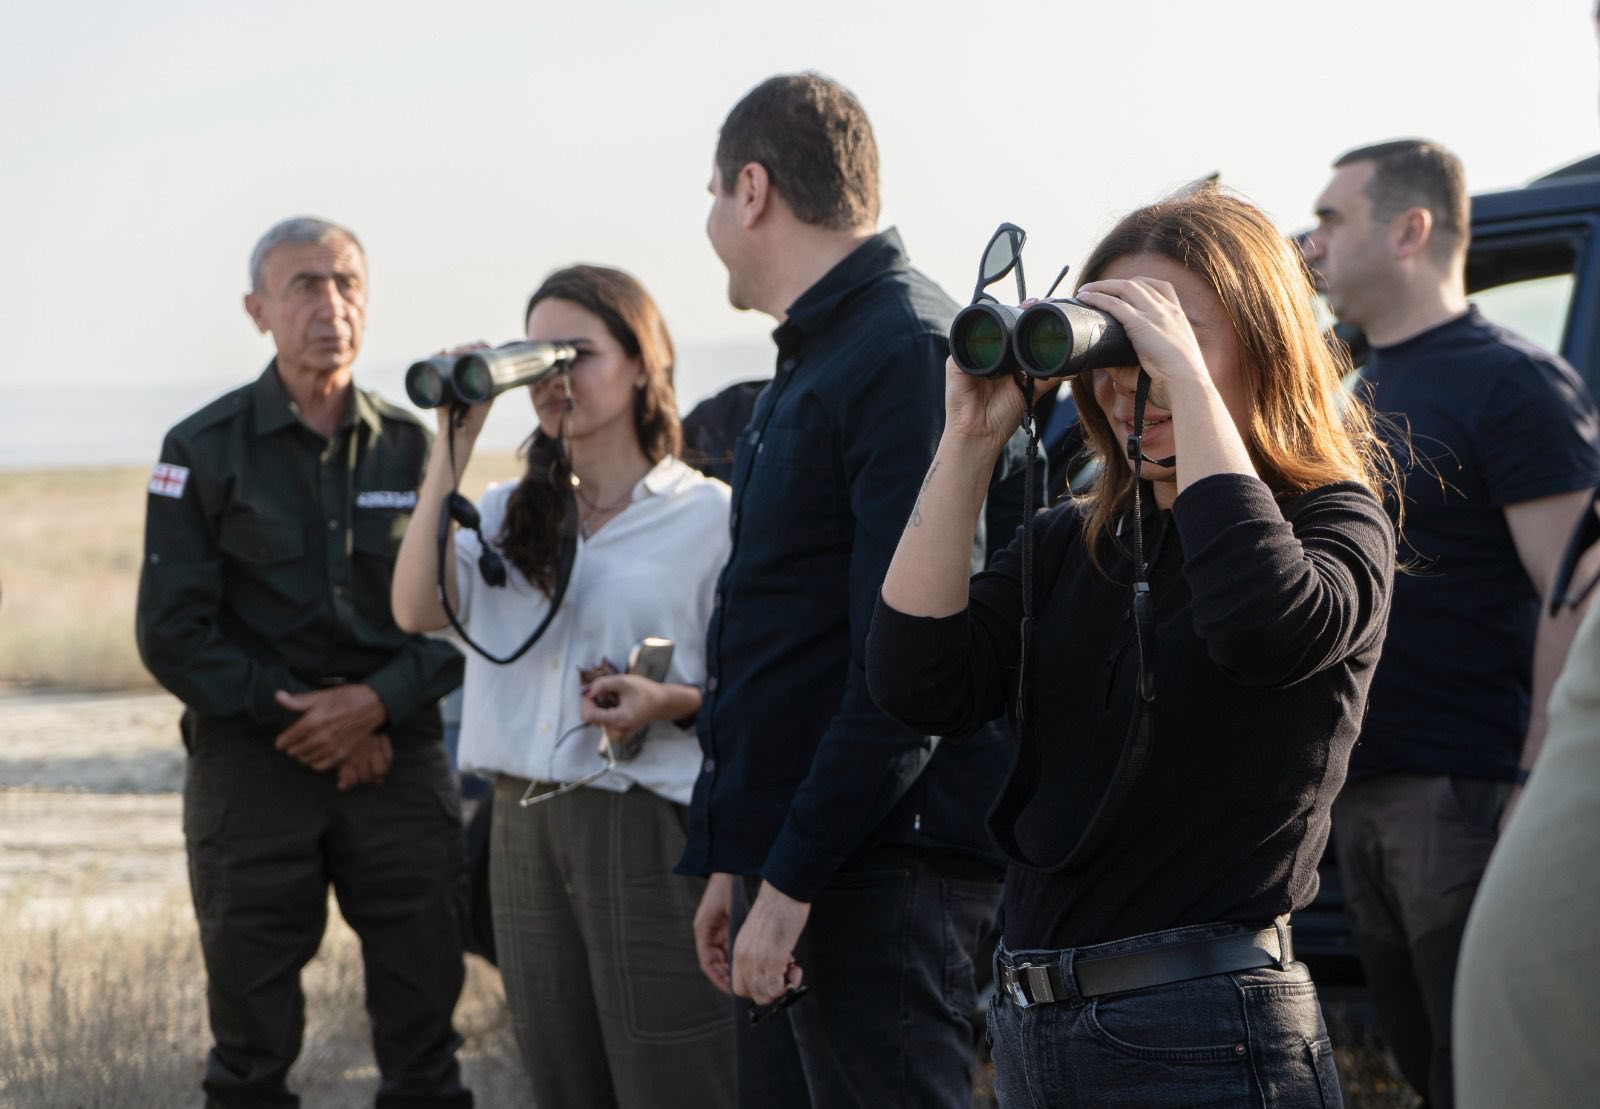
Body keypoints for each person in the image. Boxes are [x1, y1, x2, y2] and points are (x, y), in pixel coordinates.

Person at [868, 184, 1396, 1108]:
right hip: (1036, 1026)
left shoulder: (1335, 522)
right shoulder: (1071, 544)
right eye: (1110, 350)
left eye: (1167, 339)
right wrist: (969, 441)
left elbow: (1261, 625)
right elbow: (916, 682)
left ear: (1268, 344)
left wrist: (1183, 379)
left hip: (1210, 1030)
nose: (1127, 381)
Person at [677, 72, 1008, 1107]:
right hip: (804, 864)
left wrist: (790, 882)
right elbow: (787, 641)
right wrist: (740, 861)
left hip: (880, 873)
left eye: (711, 192)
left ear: (751, 190)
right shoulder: (821, 354)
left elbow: (907, 667)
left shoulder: (904, 350)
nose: (709, 222)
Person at [135, 217, 471, 1109]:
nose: (331, 305)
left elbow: (457, 618)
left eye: (347, 282)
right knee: (250, 1046)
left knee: (425, 1036)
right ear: (258, 310)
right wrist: (313, 720)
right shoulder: (201, 448)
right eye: (304, 286)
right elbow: (171, 631)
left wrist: (374, 703)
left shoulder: (414, 447)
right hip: (256, 762)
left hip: (395, 760)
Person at [390, 264, 736, 1109]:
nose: (555, 378)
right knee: (562, 1077)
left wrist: (669, 702)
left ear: (642, 362)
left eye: (576, 353)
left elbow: (752, 692)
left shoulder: (708, 516)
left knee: (675, 1074)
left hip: (645, 820)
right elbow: (414, 608)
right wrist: (452, 442)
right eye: (536, 358)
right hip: (521, 822)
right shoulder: (504, 509)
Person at [1302, 139, 1600, 1108]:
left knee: (1485, 1074)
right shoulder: (1361, 385)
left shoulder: (1512, 381)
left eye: (1332, 217)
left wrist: (1531, 781)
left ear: (1410, 230)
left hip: (1464, 793)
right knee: (1429, 1073)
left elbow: (1575, 593)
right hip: (1366, 791)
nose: (1311, 241)